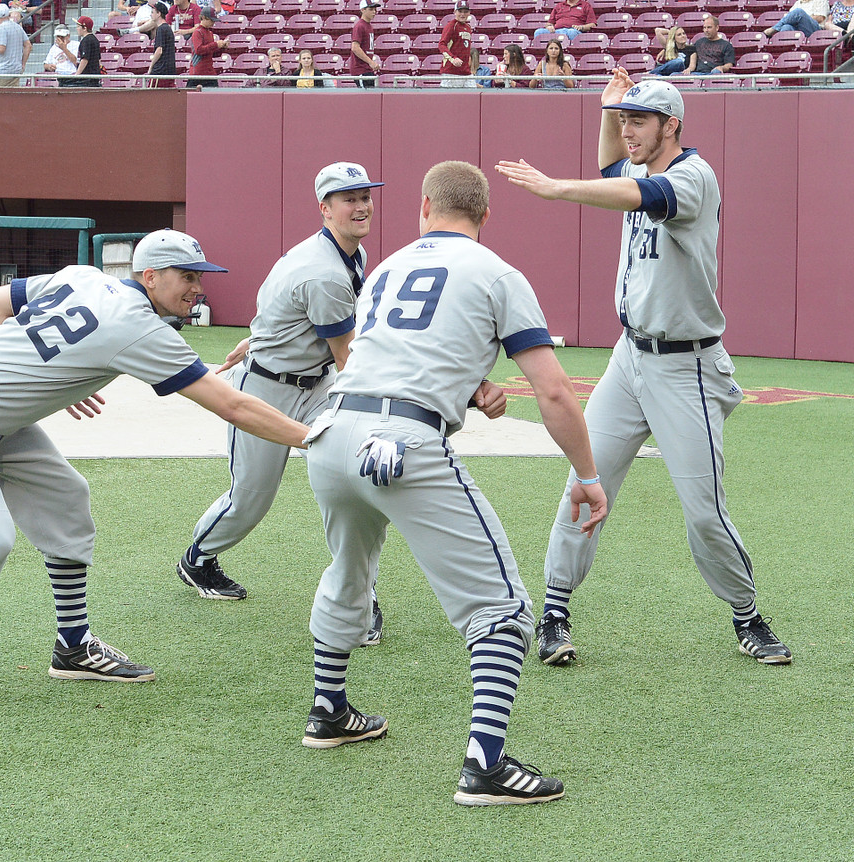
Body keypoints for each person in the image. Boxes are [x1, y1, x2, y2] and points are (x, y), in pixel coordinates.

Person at [0, 229, 311, 714]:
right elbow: (233, 405)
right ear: (150, 276)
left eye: (199, 277)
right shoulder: (140, 327)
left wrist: (40, 371)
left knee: (67, 499)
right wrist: (312, 437)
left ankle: (73, 646)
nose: (197, 288)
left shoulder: (86, 276)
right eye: (187, 276)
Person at [300, 160, 607, 807]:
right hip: (402, 444)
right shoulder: (496, 272)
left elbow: (392, 355)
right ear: (485, 215)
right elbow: (554, 390)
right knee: (503, 608)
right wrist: (586, 473)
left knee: (348, 573)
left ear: (423, 207)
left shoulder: (385, 268)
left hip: (330, 435)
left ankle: (328, 710)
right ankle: (484, 766)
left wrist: (469, 387)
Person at [496, 73, 792, 667]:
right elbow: (614, 169)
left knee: (704, 511)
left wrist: (556, 188)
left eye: (640, 121)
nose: (628, 131)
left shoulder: (692, 177)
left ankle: (746, 615)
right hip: (629, 358)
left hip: (686, 366)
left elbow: (636, 192)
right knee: (585, 482)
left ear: (671, 126)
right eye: (625, 121)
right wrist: (608, 108)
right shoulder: (638, 165)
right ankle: (554, 612)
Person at [178, 163, 385, 643]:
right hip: (266, 388)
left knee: (349, 481)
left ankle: (357, 594)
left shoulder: (346, 252)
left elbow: (284, 314)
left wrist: (257, 338)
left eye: (365, 196)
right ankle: (198, 559)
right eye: (348, 198)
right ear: (325, 208)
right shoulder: (323, 270)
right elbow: (348, 358)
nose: (360, 206)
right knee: (250, 499)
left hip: (316, 385)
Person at [0, 4, 30, 88]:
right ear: (9, 14)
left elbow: (1, 49)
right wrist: (23, 64)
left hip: (4, 70)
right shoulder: (17, 26)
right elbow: (28, 45)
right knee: (12, 95)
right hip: (16, 69)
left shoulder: (1, 28)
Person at [763, 0, 852, 36]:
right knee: (786, 27)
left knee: (799, 12)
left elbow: (820, 18)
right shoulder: (798, 3)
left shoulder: (820, 1)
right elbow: (790, 18)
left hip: (815, 30)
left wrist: (802, 18)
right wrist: (798, 18)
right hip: (797, 29)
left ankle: (773, 29)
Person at [439, 0, 474, 88]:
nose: (463, 14)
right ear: (455, 12)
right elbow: (441, 45)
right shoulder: (451, 25)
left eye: (465, 11)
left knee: (473, 94)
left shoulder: (468, 27)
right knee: (450, 96)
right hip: (451, 71)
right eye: (460, 11)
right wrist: (453, 58)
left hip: (465, 71)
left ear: (469, 13)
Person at [188, 7, 226, 88]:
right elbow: (199, 50)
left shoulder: (210, 33)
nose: (213, 23)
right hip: (198, 72)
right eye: (211, 20)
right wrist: (216, 45)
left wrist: (222, 47)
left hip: (209, 71)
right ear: (203, 18)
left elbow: (211, 53)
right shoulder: (197, 32)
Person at [349, 0, 380, 88]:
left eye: (375, 9)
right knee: (366, 94)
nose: (374, 12)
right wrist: (371, 62)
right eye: (371, 9)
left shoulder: (368, 26)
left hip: (367, 69)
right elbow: (355, 47)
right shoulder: (360, 26)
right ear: (363, 10)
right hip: (361, 69)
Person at [147, 1, 177, 86]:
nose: (151, 15)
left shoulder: (161, 29)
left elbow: (159, 50)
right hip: (169, 71)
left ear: (159, 14)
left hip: (160, 72)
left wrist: (151, 67)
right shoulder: (167, 28)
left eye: (152, 12)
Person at [67, 15, 102, 87]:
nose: (77, 29)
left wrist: (77, 75)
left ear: (84, 28)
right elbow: (99, 60)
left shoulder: (86, 40)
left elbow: (84, 59)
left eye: (78, 26)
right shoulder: (95, 39)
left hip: (87, 78)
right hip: (94, 77)